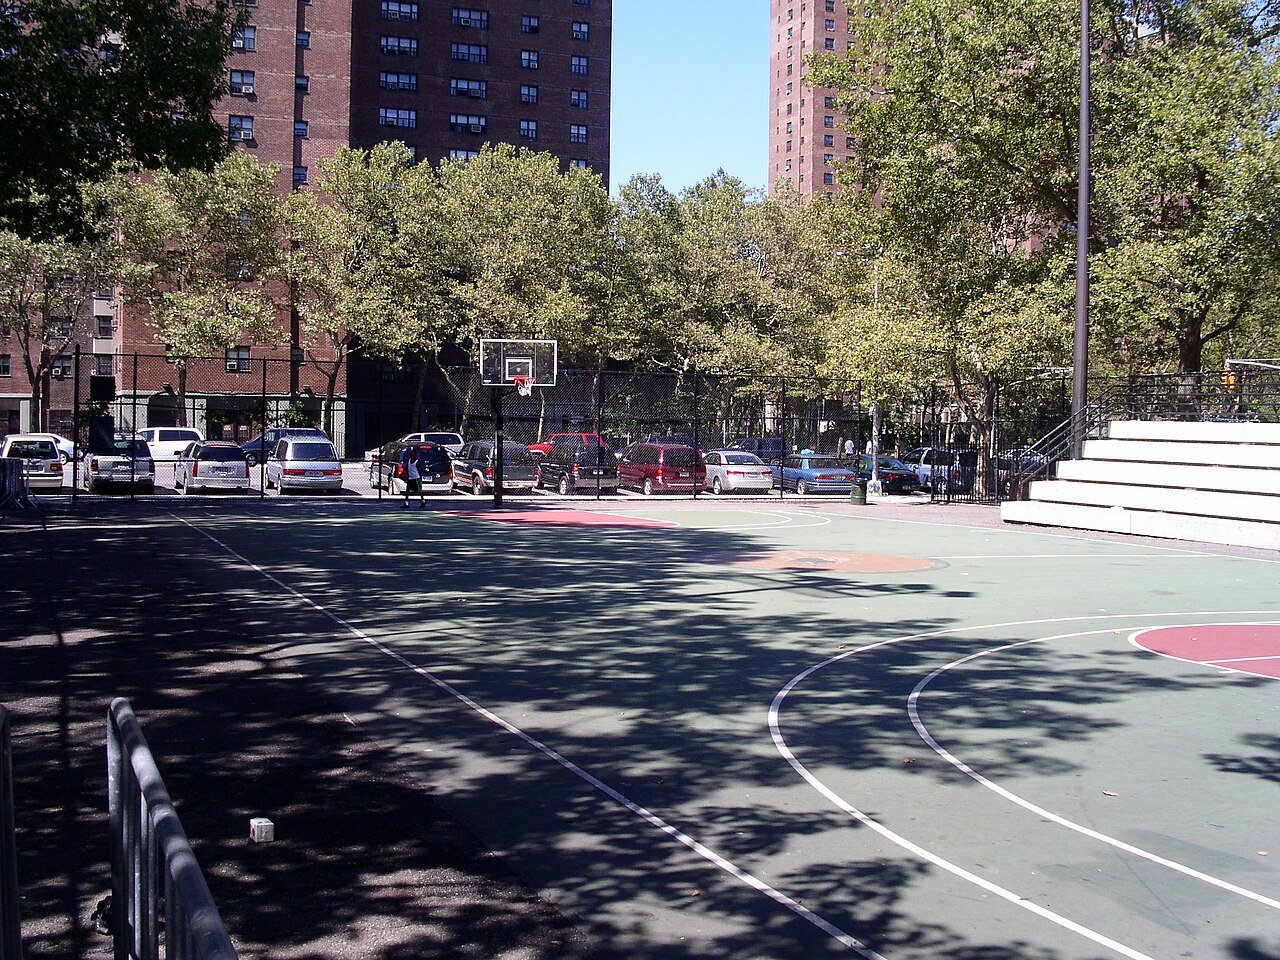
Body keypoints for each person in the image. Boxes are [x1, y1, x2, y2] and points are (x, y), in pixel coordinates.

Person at [399, 443, 426, 509]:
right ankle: (406, 503)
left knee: (419, 491)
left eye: (413, 454)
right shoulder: (409, 461)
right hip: (410, 478)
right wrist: (404, 472)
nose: (411, 455)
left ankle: (423, 501)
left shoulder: (417, 462)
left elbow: (420, 470)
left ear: (415, 455)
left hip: (416, 478)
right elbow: (407, 468)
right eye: (411, 454)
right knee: (407, 491)